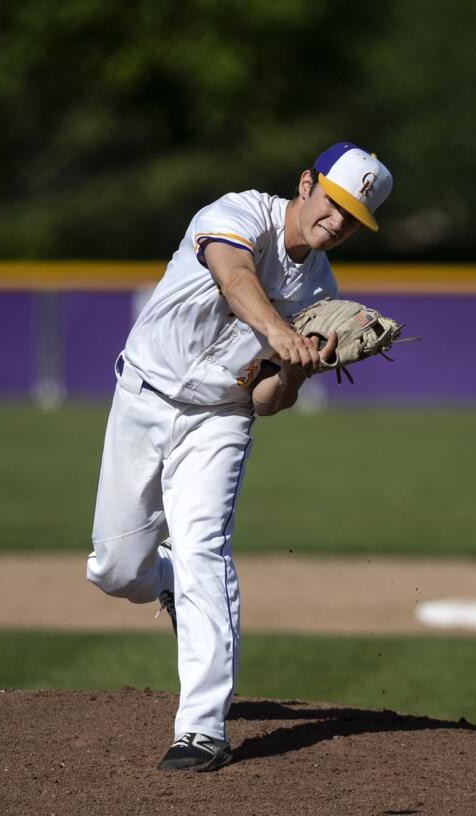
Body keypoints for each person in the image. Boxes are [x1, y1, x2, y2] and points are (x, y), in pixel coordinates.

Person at [86, 142, 393, 771]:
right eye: (333, 205)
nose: (336, 224)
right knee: (116, 572)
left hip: (220, 419)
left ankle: (201, 730)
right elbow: (234, 275)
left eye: (353, 221)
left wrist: (306, 367)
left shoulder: (321, 290)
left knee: (205, 546)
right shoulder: (236, 213)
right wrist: (283, 332)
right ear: (307, 184)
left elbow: (265, 399)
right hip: (144, 396)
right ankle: (163, 579)